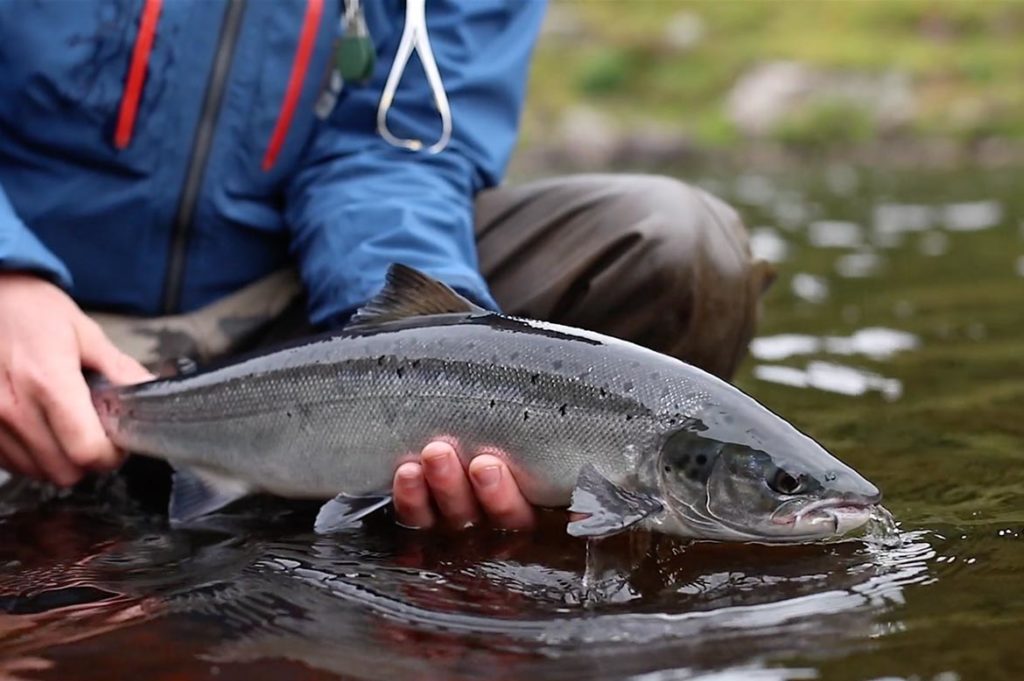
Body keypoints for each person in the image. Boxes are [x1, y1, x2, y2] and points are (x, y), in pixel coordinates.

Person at [0, 0, 769, 531]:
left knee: (672, 243)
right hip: (34, 293)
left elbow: (395, 150)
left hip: (292, 324)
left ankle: (383, 488)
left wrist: (449, 357)